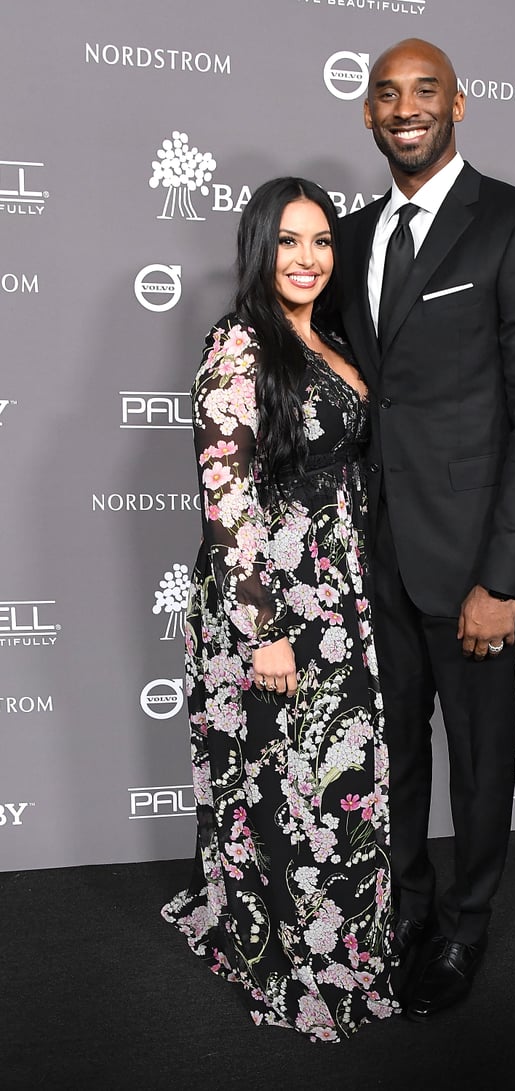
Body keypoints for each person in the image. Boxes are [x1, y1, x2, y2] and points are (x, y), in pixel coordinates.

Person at [338, 39, 515, 1020]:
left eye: (424, 91)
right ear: (367, 114)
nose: (406, 108)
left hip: (475, 562)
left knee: (479, 758)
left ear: (459, 105)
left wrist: (505, 576)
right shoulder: (350, 236)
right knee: (391, 750)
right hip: (369, 556)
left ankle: (466, 926)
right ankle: (404, 910)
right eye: (387, 95)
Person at [162, 177, 398, 1041]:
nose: (308, 259)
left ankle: (348, 947)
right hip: (272, 611)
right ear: (260, 248)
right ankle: (298, 961)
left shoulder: (330, 338)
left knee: (340, 787)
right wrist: (264, 632)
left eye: (323, 242)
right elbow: (225, 500)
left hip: (341, 597)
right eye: (290, 242)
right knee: (289, 786)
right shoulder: (238, 347)